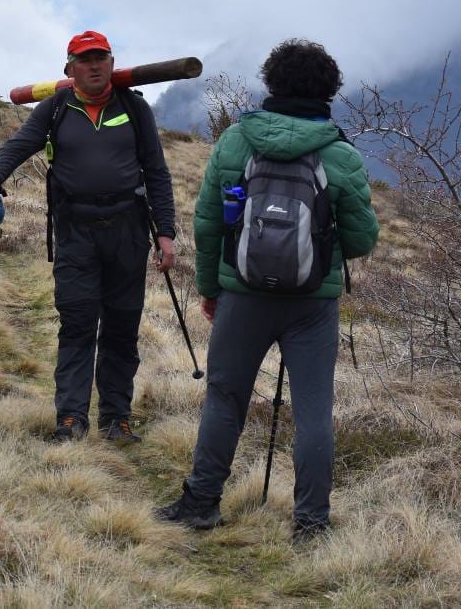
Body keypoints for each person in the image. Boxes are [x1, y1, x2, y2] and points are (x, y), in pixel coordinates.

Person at [156, 39, 378, 542]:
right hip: (312, 304)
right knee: (314, 411)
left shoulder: (236, 141)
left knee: (224, 398)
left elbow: (209, 223)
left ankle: (201, 503)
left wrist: (212, 289)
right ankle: (311, 525)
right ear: (329, 91)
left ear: (271, 83)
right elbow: (363, 239)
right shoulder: (340, 154)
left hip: (242, 295)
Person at [0, 31, 176, 444]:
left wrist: (167, 233)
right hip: (75, 231)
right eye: (85, 59)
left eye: (101, 57)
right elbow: (18, 147)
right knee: (78, 323)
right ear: (69, 68)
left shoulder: (134, 109)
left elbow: (156, 171)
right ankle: (70, 417)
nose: (95, 65)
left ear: (112, 63)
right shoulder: (54, 109)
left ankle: (117, 418)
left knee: (122, 327)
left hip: (128, 230)